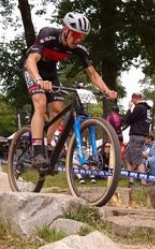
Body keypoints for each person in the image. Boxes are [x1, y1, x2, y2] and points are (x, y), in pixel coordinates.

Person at [23, 12, 117, 169]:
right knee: (40, 103)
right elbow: (31, 60)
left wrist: (107, 91)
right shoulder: (48, 35)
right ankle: (37, 151)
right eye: (75, 34)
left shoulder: (79, 48)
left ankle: (47, 145)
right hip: (33, 70)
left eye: (83, 36)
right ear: (65, 30)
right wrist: (39, 80)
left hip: (51, 73)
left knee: (58, 110)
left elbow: (92, 74)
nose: (78, 39)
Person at [124, 92, 151, 188]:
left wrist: (129, 108)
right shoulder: (146, 109)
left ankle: (144, 183)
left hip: (136, 136)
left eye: (132, 101)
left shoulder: (139, 107)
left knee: (138, 160)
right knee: (127, 158)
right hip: (141, 136)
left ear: (134, 99)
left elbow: (128, 120)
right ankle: (131, 181)